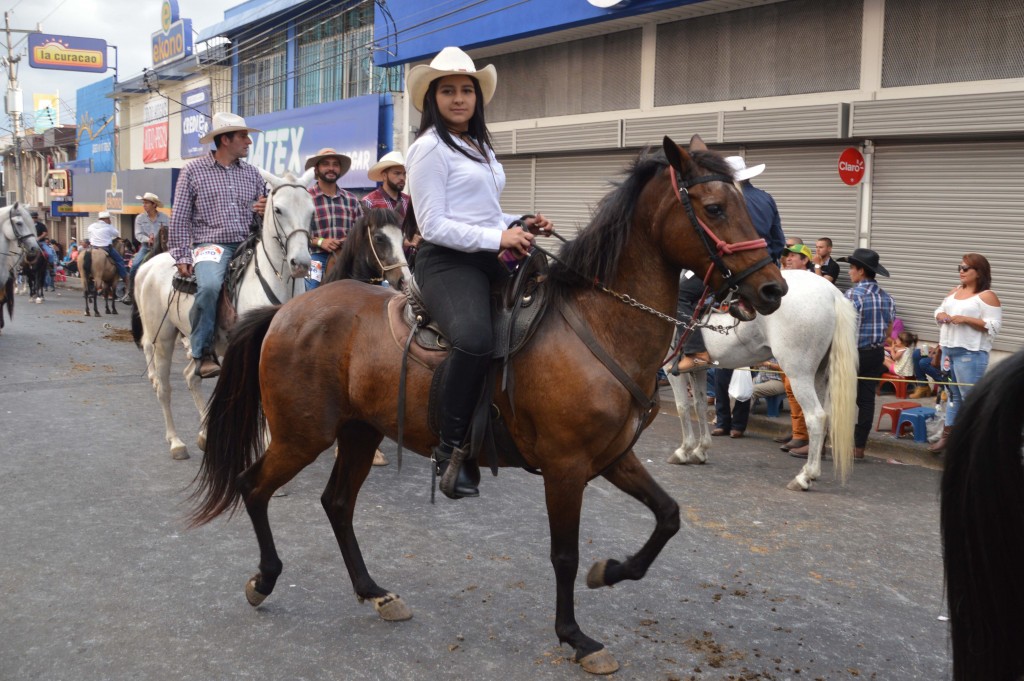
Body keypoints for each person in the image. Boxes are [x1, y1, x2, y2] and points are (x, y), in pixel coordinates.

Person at [406, 46, 552, 500]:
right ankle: (450, 448)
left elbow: (483, 213)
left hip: (485, 254)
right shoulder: (428, 148)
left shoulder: (481, 147)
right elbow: (433, 225)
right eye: (447, 91)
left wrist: (518, 222)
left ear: (477, 97)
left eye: (466, 90)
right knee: (473, 338)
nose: (458, 99)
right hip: (446, 261)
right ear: (433, 98)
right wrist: (499, 239)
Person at [169, 111, 267, 379]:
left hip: (250, 241)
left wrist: (264, 208)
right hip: (211, 244)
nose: (248, 141)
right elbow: (179, 216)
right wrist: (180, 254)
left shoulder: (253, 174)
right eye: (243, 136)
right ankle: (202, 351)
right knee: (210, 286)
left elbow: (266, 209)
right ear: (225, 140)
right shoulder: (193, 170)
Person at [677, 158, 783, 373]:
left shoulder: (729, 200)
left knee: (682, 293)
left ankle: (696, 351)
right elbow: (779, 240)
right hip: (767, 265)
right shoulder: (766, 198)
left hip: (735, 267)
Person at [927, 253, 1001, 453]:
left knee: (971, 398)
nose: (961, 271)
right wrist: (940, 315)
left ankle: (981, 441)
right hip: (949, 351)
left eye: (966, 268)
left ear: (979, 272)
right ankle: (948, 437)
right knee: (952, 396)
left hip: (971, 353)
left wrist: (967, 319)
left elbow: (994, 326)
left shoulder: (986, 296)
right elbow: (938, 310)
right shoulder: (955, 291)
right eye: (959, 267)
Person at [836, 248, 895, 460]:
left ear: (861, 271)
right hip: (876, 353)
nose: (850, 272)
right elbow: (889, 332)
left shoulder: (852, 295)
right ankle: (859, 447)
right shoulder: (887, 298)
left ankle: (832, 442)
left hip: (852, 353)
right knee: (866, 401)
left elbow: (842, 329)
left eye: (852, 268)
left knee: (841, 397)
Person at [303, 147, 363, 291]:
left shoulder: (351, 199)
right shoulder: (305, 198)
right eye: (326, 164)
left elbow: (362, 232)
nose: (331, 168)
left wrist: (346, 242)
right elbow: (294, 232)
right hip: (316, 257)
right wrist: (320, 241)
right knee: (313, 292)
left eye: (335, 164)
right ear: (316, 170)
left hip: (347, 258)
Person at [725, 156, 785, 265]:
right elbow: (778, 240)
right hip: (767, 260)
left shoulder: (725, 200)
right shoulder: (766, 197)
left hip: (738, 264)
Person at [362, 151, 411, 221]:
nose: (402, 178)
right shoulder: (369, 202)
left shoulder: (408, 201)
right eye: (397, 173)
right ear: (384, 176)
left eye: (404, 174)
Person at [86, 211, 130, 286]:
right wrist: (110, 226)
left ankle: (85, 274)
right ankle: (124, 277)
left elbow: (88, 230)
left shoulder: (92, 226)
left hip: (93, 248)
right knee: (119, 260)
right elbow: (116, 234)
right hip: (106, 248)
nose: (110, 220)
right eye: (109, 219)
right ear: (106, 219)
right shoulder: (108, 226)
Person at [132, 192, 168, 272]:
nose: (144, 205)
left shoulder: (165, 218)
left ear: (154, 205)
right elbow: (138, 234)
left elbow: (170, 232)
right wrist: (148, 239)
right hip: (146, 247)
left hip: (162, 248)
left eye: (146, 203)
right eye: (143, 203)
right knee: (135, 266)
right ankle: (131, 284)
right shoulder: (140, 218)